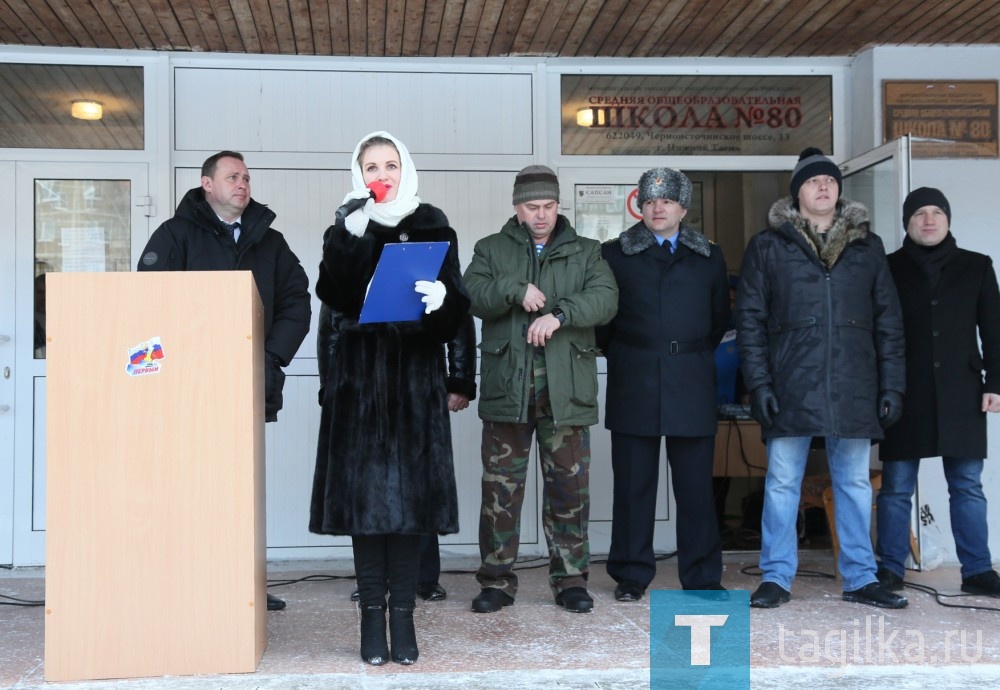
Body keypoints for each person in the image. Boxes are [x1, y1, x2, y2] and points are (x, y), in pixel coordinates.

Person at [309, 131, 471, 665]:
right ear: (359, 173)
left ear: (406, 169)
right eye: (372, 165)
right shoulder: (346, 223)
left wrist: (443, 301)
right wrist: (349, 239)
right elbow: (331, 299)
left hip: (413, 384)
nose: (383, 174)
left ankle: (404, 617)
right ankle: (370, 622)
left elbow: (455, 316)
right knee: (366, 511)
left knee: (409, 510)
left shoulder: (432, 224)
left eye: (391, 164)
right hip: (358, 385)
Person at [137, 150, 311, 613]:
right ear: (207, 184)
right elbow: (148, 301)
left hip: (249, 386)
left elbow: (297, 301)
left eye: (247, 177)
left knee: (240, 492)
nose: (243, 184)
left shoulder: (270, 242)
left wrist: (270, 358)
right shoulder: (175, 235)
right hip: (188, 390)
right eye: (233, 176)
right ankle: (188, 584)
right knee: (189, 488)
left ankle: (244, 586)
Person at [736, 146, 908, 609]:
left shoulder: (867, 247)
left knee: (852, 482)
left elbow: (888, 320)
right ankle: (775, 576)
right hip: (792, 379)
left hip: (854, 381)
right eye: (813, 181)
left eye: (829, 180)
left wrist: (892, 384)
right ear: (797, 193)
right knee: (781, 482)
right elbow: (749, 320)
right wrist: (760, 383)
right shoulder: (768, 246)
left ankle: (860, 577)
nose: (823, 186)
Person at [463, 165, 618, 614]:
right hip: (507, 391)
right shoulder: (490, 249)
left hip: (565, 393)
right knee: (500, 493)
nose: (542, 215)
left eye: (549, 206)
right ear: (516, 208)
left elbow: (607, 299)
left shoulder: (587, 251)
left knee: (570, 493)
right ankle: (496, 581)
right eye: (533, 207)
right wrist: (514, 289)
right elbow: (471, 293)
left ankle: (570, 581)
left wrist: (561, 314)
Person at [597, 167, 730, 600]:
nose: (658, 208)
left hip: (691, 380)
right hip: (634, 377)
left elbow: (717, 321)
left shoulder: (709, 256)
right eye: (651, 201)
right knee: (634, 486)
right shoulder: (614, 254)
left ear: (683, 208)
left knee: (695, 488)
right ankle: (631, 575)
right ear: (641, 205)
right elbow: (604, 326)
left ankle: (703, 577)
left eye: (667, 201)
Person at [876, 187, 1000, 597]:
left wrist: (995, 383)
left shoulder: (977, 266)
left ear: (947, 219)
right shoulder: (888, 268)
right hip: (903, 392)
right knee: (896, 487)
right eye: (919, 214)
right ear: (907, 223)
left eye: (936, 213)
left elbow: (994, 332)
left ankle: (978, 571)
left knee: (966, 484)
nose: (928, 220)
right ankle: (890, 568)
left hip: (962, 391)